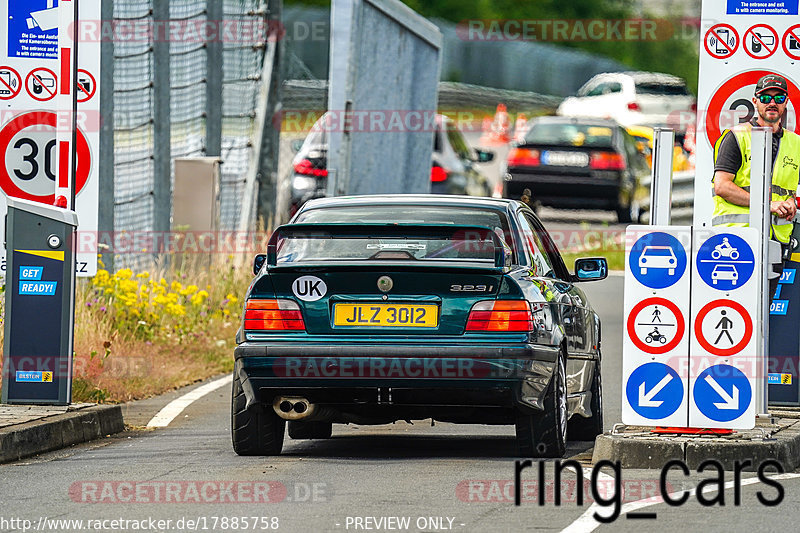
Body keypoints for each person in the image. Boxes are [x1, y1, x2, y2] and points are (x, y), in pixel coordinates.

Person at [712, 73, 800, 297]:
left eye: (779, 98)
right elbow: (722, 186)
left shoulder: (795, 143)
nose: (772, 103)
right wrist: (767, 205)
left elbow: (792, 189)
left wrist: (791, 202)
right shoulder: (736, 136)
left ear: (786, 103)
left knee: (764, 321)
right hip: (736, 242)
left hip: (776, 243)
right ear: (755, 102)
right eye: (766, 97)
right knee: (735, 308)